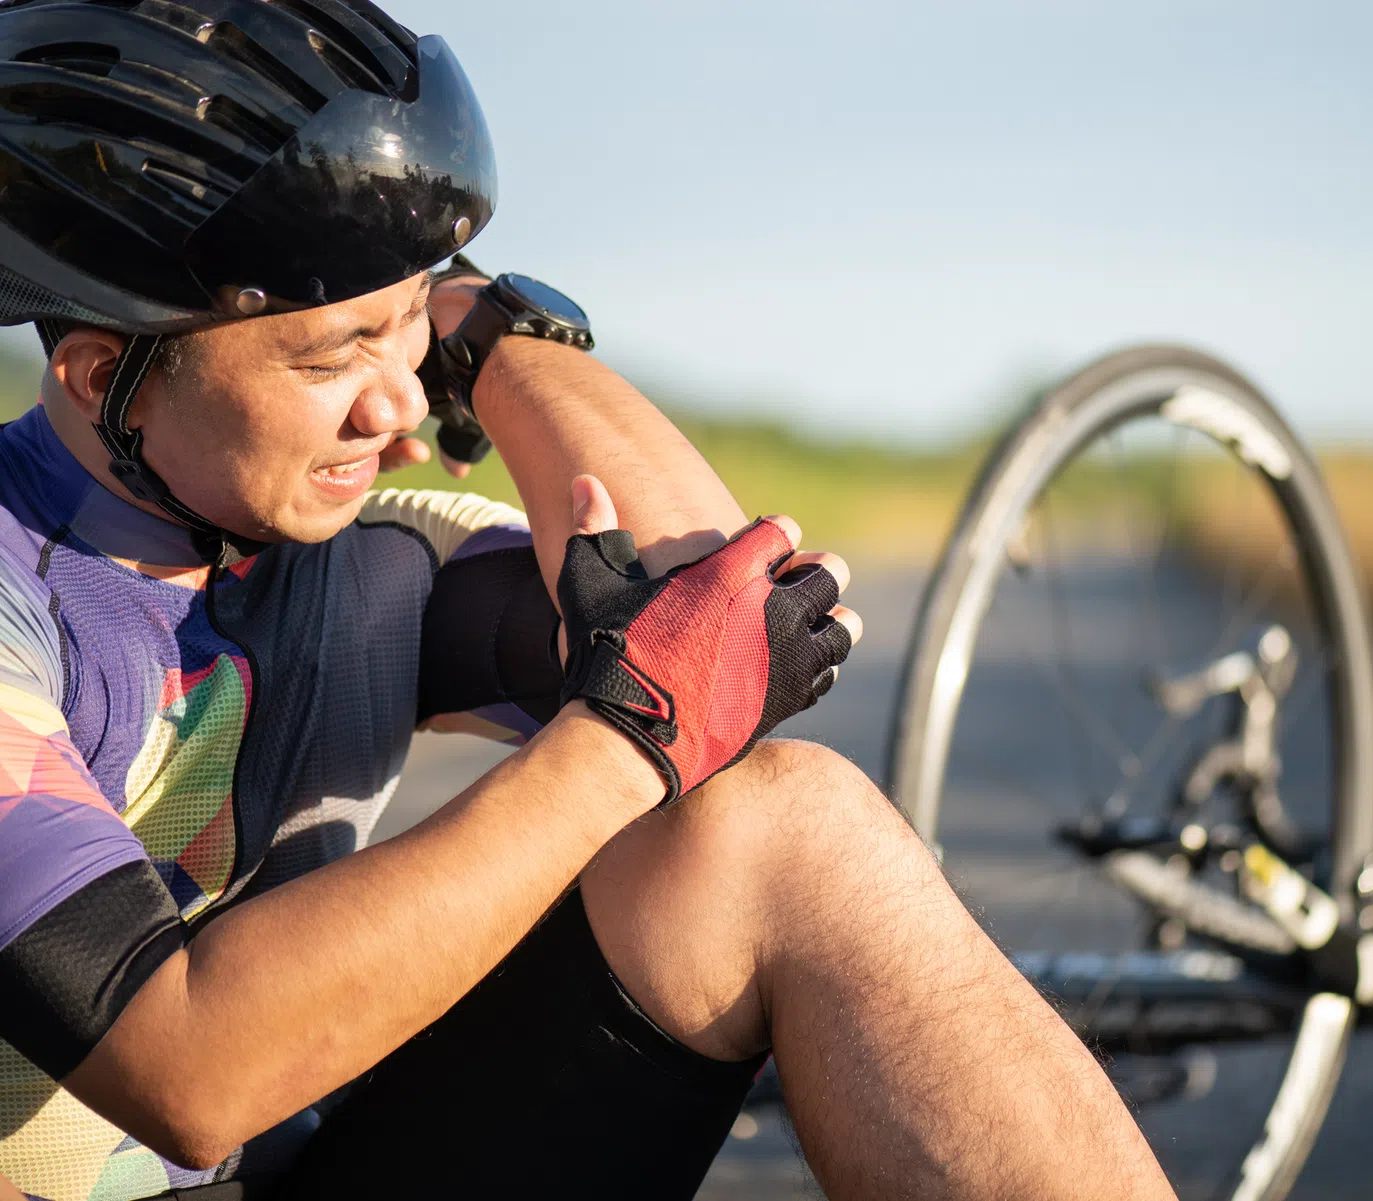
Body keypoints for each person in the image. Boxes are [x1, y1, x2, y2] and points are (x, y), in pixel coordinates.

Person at [0, 3, 1176, 1199]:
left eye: (408, 328)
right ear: (106, 379)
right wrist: (619, 738)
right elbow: (188, 1070)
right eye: (328, 358)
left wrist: (488, 330)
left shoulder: (357, 545)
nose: (396, 409)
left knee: (785, 824)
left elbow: (720, 609)